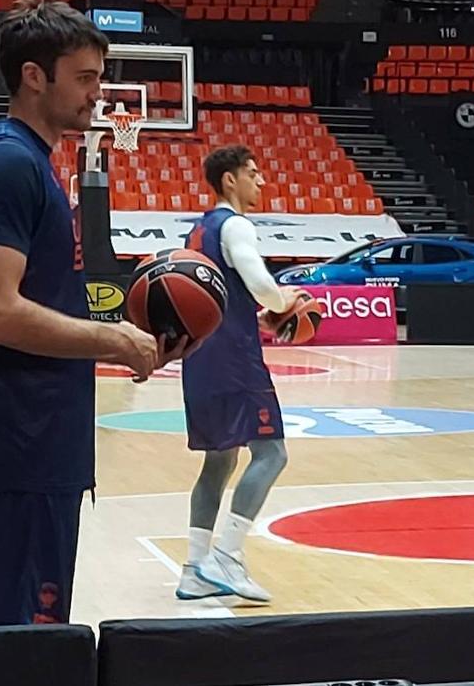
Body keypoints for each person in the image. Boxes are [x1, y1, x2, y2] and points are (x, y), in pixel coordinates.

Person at [0, 0, 182, 627]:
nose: (99, 94)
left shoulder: (28, 160)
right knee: (15, 646)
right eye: (86, 77)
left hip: (32, 446)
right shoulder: (9, 162)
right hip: (15, 446)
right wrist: (112, 340)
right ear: (34, 76)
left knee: (24, 640)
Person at [176, 145, 304, 604]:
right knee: (272, 454)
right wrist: (286, 302)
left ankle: (193, 569)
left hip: (200, 356)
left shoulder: (198, 229)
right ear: (229, 180)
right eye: (253, 173)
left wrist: (265, 305)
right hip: (234, 357)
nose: (261, 181)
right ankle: (228, 556)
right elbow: (262, 284)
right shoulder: (235, 224)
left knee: (219, 461)